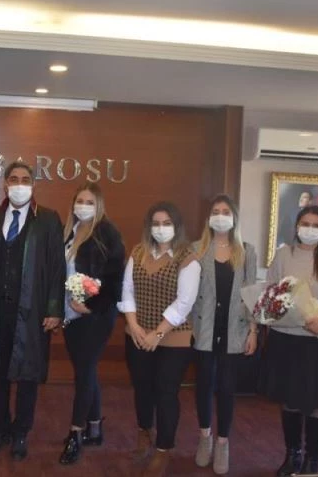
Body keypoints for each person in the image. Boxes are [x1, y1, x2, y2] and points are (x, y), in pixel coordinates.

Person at [0, 161, 65, 461]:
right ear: (5, 184)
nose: (19, 184)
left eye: (25, 179)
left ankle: (21, 432)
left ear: (33, 185)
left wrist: (54, 309)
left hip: (32, 310)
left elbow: (57, 267)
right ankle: (0, 429)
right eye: (14, 179)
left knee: (28, 374)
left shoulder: (48, 219)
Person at [260, 205, 318, 476]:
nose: (310, 229)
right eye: (305, 223)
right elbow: (271, 292)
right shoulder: (283, 255)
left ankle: (313, 459)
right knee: (290, 401)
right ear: (297, 226)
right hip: (287, 339)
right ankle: (293, 454)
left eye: (316, 225)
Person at [119, 201, 200, 477]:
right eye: (156, 223)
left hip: (173, 338)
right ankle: (144, 433)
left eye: (167, 223)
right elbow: (127, 291)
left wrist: (158, 332)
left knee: (166, 392)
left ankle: (164, 448)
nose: (161, 228)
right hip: (138, 335)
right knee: (142, 388)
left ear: (177, 226)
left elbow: (185, 302)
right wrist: (134, 326)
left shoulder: (187, 258)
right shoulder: (138, 252)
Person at [58, 182, 125, 465]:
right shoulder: (70, 231)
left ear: (98, 205)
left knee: (84, 373)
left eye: (89, 202)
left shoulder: (107, 233)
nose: (83, 206)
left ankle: (76, 433)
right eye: (79, 201)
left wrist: (91, 306)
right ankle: (95, 428)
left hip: (95, 317)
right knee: (86, 370)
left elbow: (115, 281)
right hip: (71, 315)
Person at [191, 195, 258, 475]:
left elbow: (252, 293)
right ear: (209, 218)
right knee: (204, 385)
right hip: (204, 328)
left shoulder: (247, 251)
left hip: (235, 328)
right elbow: (188, 292)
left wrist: (253, 330)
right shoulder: (196, 249)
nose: (220, 216)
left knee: (227, 388)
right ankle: (204, 436)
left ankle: (222, 442)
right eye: (216, 211)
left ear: (234, 218)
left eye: (226, 211)